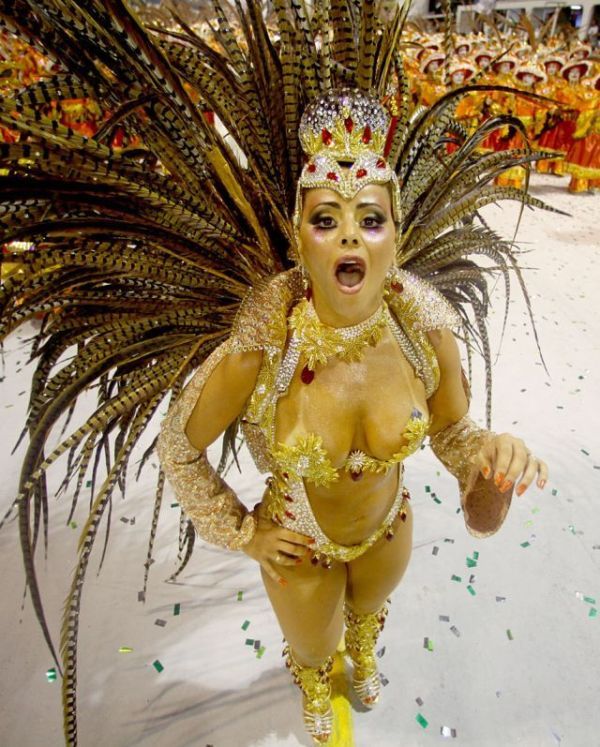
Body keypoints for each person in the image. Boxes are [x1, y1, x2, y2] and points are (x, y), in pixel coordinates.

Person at [157, 89, 549, 745]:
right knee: (315, 646)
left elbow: (453, 434)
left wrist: (492, 459)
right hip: (298, 536)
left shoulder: (422, 327)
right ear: (298, 236)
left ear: (395, 235)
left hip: (388, 524)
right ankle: (313, 679)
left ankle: (363, 653)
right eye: (326, 219)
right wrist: (239, 529)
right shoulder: (266, 340)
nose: (349, 235)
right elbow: (179, 443)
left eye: (370, 219)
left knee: (368, 612)